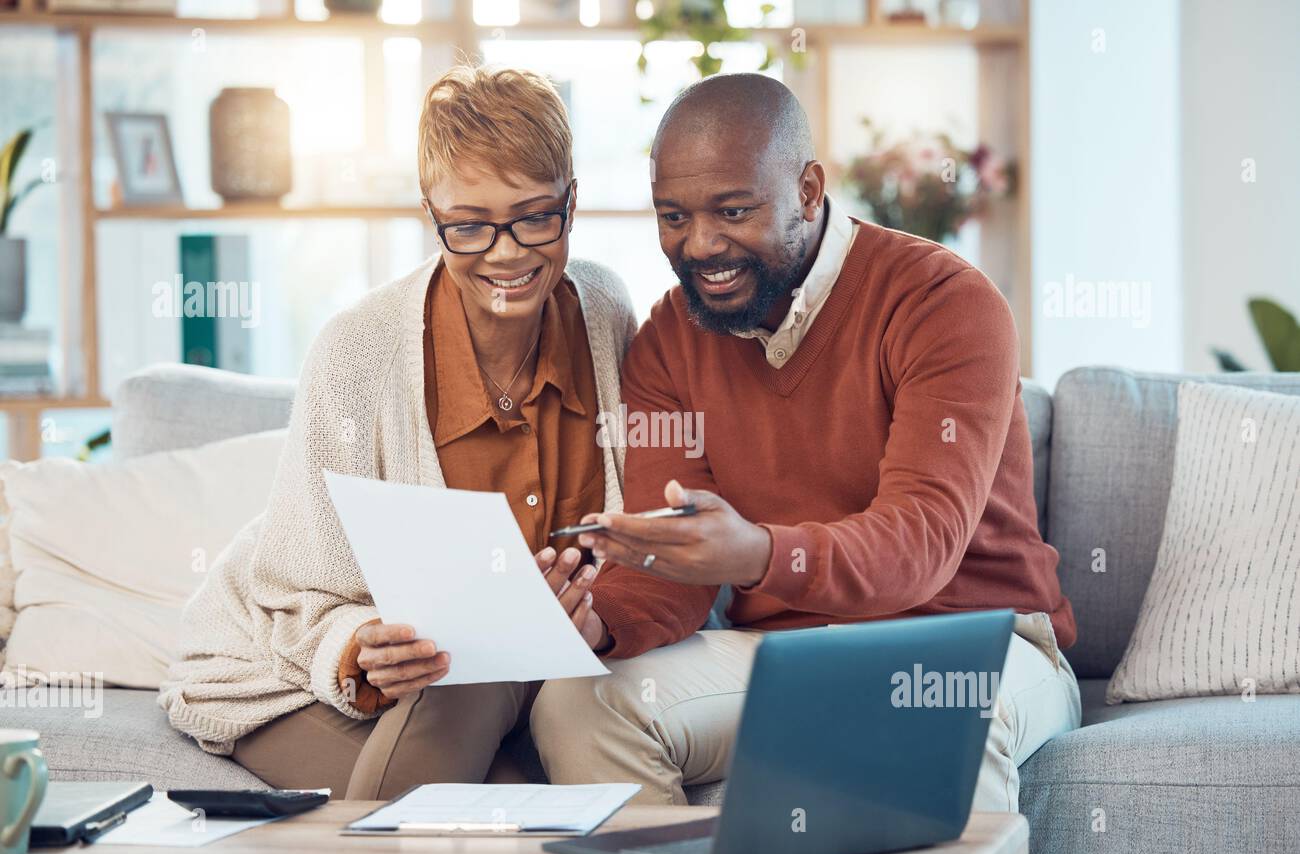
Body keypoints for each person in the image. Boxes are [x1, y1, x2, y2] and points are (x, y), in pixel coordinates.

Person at [530, 73, 1082, 813]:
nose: (700, 245)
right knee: (576, 702)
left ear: (809, 190)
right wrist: (599, 623)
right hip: (788, 653)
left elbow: (921, 543)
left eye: (733, 210)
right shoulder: (668, 341)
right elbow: (670, 563)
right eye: (673, 216)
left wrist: (756, 552)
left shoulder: (944, 303)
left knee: (926, 709)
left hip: (974, 640)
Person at [159, 64, 634, 799]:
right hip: (299, 679)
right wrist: (360, 646)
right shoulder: (358, 350)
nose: (506, 254)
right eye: (469, 225)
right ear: (430, 214)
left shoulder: (604, 313)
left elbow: (638, 546)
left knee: (503, 727)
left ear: (572, 202)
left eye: (535, 216)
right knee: (481, 729)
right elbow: (296, 588)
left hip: (512, 684)